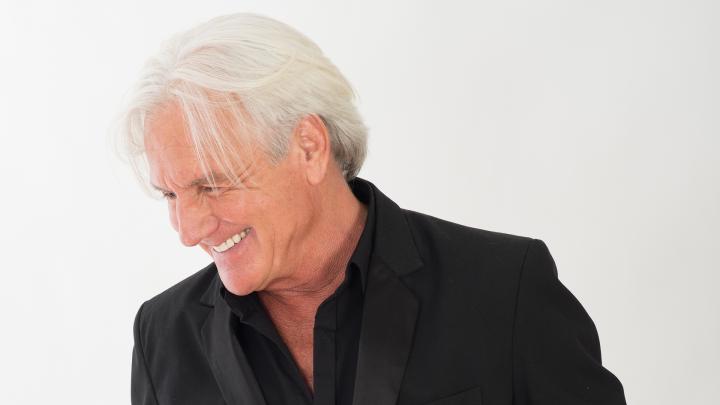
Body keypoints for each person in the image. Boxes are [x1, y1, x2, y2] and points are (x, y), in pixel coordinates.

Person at [120, 13, 626, 405]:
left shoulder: (503, 289)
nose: (188, 231)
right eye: (171, 194)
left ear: (309, 147)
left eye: (212, 185)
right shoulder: (163, 336)